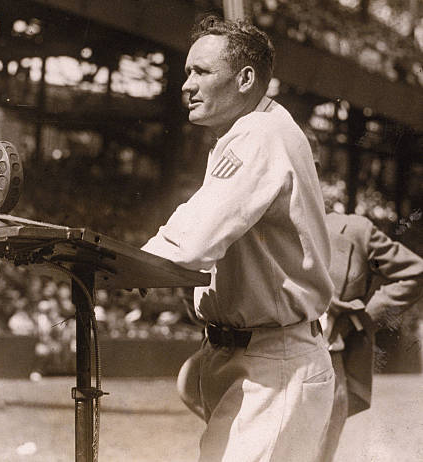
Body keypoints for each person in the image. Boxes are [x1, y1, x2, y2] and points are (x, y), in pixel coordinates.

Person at [141, 17, 335, 461]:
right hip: (243, 355)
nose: (186, 85)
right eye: (187, 71)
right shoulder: (247, 132)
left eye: (201, 72)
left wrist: (134, 261)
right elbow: (201, 219)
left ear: (246, 79)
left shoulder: (260, 133)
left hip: (275, 361)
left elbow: (193, 243)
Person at [318, 212, 423, 461]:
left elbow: (415, 272)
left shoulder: (355, 230)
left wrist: (360, 319)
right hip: (261, 360)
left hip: (330, 363)